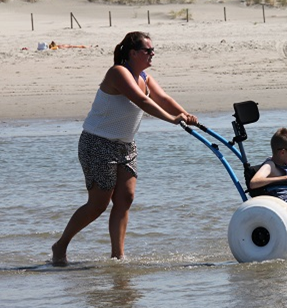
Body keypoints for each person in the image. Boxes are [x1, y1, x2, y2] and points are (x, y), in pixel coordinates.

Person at [51, 31, 198, 265]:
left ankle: (117, 257)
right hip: (97, 142)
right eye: (148, 51)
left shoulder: (145, 77)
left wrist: (186, 114)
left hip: (126, 145)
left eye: (153, 50)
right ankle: (60, 246)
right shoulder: (118, 72)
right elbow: (143, 101)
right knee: (98, 204)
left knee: (126, 198)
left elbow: (162, 98)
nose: (152, 54)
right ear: (132, 53)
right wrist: (172, 119)